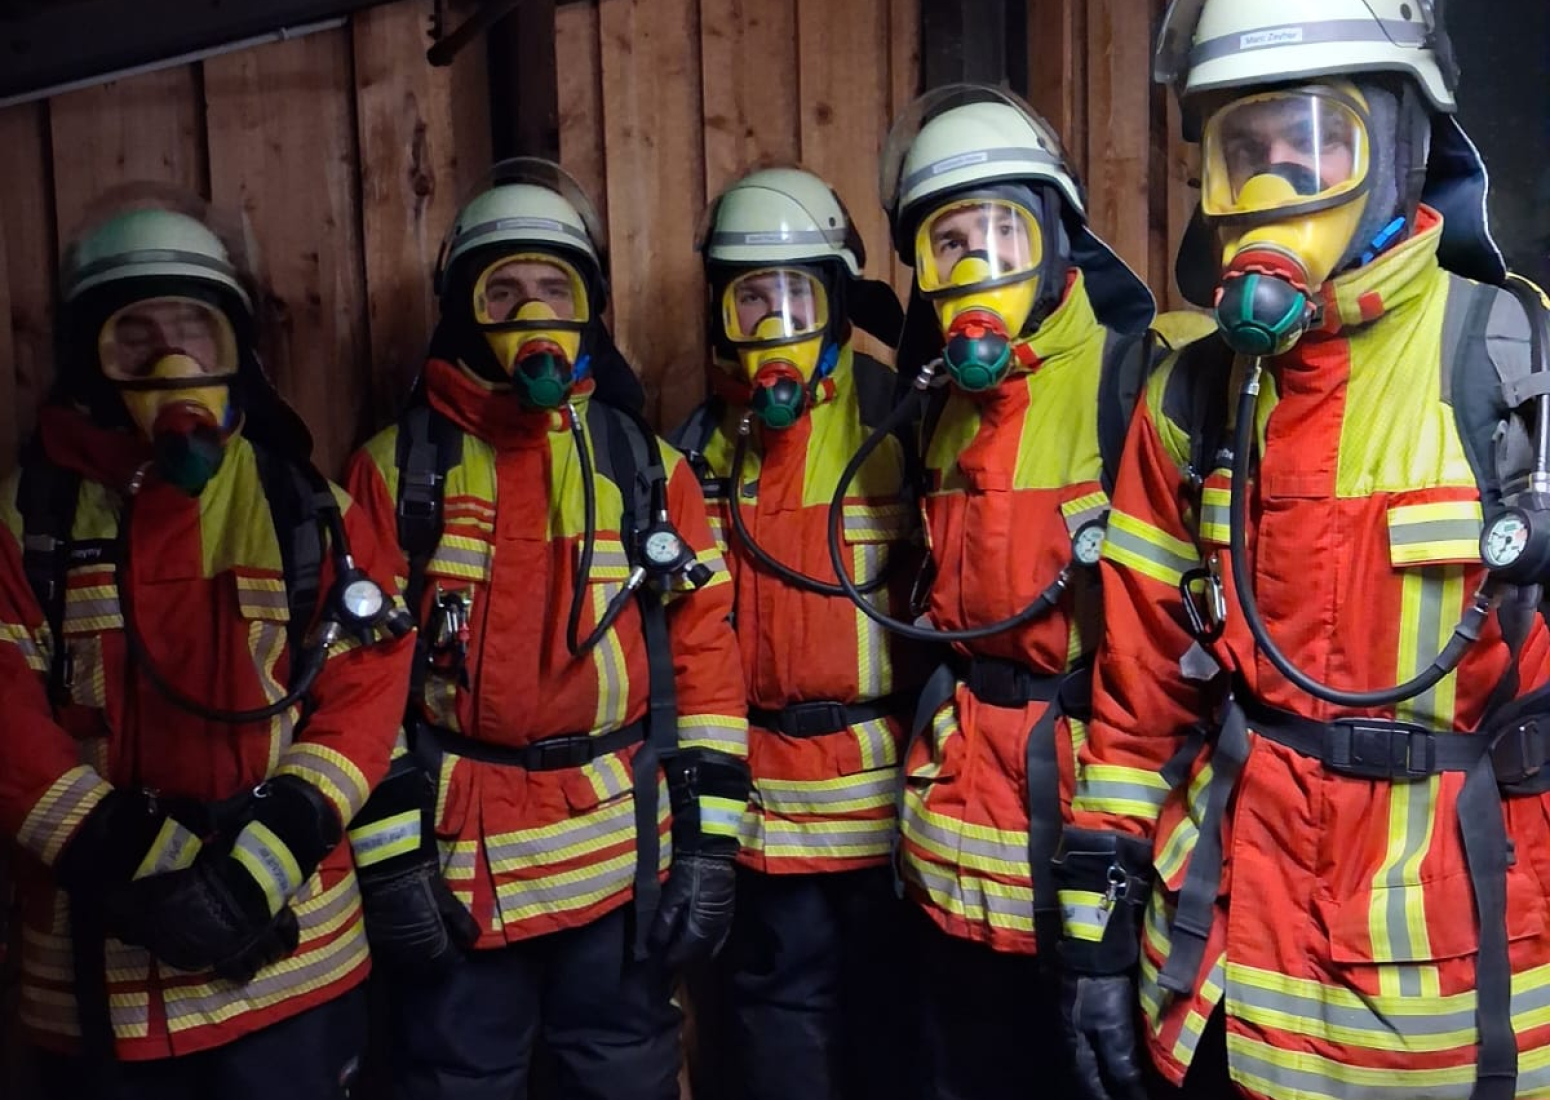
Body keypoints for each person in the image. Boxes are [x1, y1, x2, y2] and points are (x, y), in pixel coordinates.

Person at [1056, 4, 1550, 1100]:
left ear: (1403, 149)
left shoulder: (1519, 376)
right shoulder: (1188, 398)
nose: (1275, 182)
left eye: (1315, 141)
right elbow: (1138, 698)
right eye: (1247, 152)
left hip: (1449, 1006)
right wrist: (1096, 920)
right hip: (1223, 980)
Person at [342, 158, 749, 1100]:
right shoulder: (396, 474)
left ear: (588, 310)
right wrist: (394, 863)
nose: (532, 313)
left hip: (618, 864)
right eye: (504, 291)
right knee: (458, 1080)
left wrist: (708, 844)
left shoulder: (647, 471)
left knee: (625, 1076)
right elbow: (358, 689)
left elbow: (704, 663)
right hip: (461, 866)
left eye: (554, 289)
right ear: (463, 311)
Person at [0, 184, 413, 1099]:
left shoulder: (309, 512)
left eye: (196, 330)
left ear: (237, 351)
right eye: (136, 336)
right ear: (86, 358)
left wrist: (271, 853)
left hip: (292, 971)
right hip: (100, 982)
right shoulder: (26, 523)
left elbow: (366, 690)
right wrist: (121, 849)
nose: (172, 359)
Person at [842, 84, 1157, 1099]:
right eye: (948, 246)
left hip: (1086, 830)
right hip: (954, 843)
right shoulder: (939, 410)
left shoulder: (1134, 384)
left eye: (1001, 235)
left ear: (1056, 240)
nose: (975, 267)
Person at [668, 166, 921, 1100]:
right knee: (776, 1035)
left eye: (797, 298)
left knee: (896, 1029)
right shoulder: (698, 449)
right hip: (766, 816)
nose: (775, 325)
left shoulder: (901, 420)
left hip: (889, 808)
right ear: (719, 318)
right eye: (750, 302)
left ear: (839, 304)